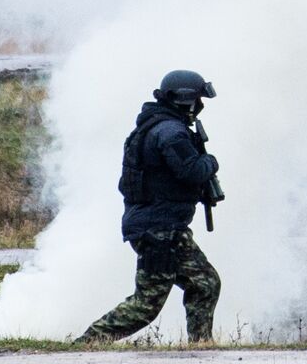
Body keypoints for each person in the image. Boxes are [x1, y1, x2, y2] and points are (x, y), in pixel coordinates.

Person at [75, 70, 222, 344]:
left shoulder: (158, 127)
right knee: (147, 304)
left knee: (205, 283)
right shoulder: (171, 133)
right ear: (186, 101)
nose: (200, 106)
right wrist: (211, 162)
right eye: (198, 100)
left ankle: (201, 346)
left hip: (165, 227)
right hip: (159, 230)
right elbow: (191, 170)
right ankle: (87, 344)